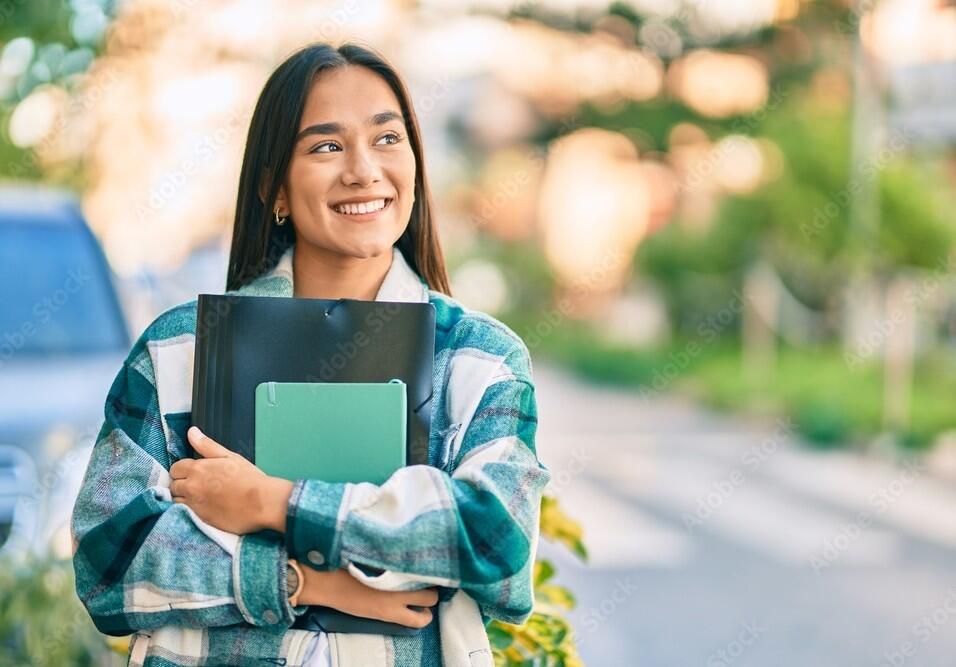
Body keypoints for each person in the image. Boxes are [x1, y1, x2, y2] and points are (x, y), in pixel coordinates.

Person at [70, 42, 550, 666]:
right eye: (326, 146)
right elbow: (108, 563)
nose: (363, 171)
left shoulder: (477, 359)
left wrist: (270, 501)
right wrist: (303, 581)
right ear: (275, 188)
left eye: (386, 139)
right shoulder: (179, 350)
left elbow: (494, 543)